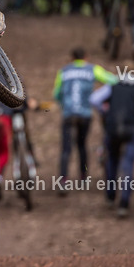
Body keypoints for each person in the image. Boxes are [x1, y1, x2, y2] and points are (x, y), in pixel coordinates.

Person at [89, 69, 134, 217]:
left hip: (112, 129)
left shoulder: (112, 87)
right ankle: (124, 202)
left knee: (112, 160)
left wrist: (104, 112)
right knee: (128, 164)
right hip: (131, 130)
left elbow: (94, 99)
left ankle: (111, 196)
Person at [53, 48, 117, 194]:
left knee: (66, 148)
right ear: (86, 57)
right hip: (85, 114)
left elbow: (56, 93)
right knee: (82, 144)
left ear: (72, 57)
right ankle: (83, 177)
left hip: (69, 114)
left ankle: (63, 181)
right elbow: (113, 80)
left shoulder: (63, 71)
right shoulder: (93, 69)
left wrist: (63, 103)